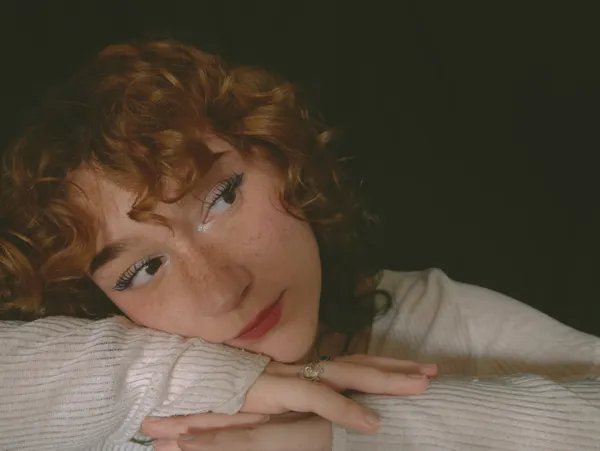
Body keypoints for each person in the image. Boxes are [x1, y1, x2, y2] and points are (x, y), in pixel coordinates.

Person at [0, 38, 598, 451]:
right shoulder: (99, 403)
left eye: (221, 197)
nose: (223, 289)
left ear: (278, 153)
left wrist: (363, 432)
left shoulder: (443, 323)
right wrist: (178, 378)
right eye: (142, 270)